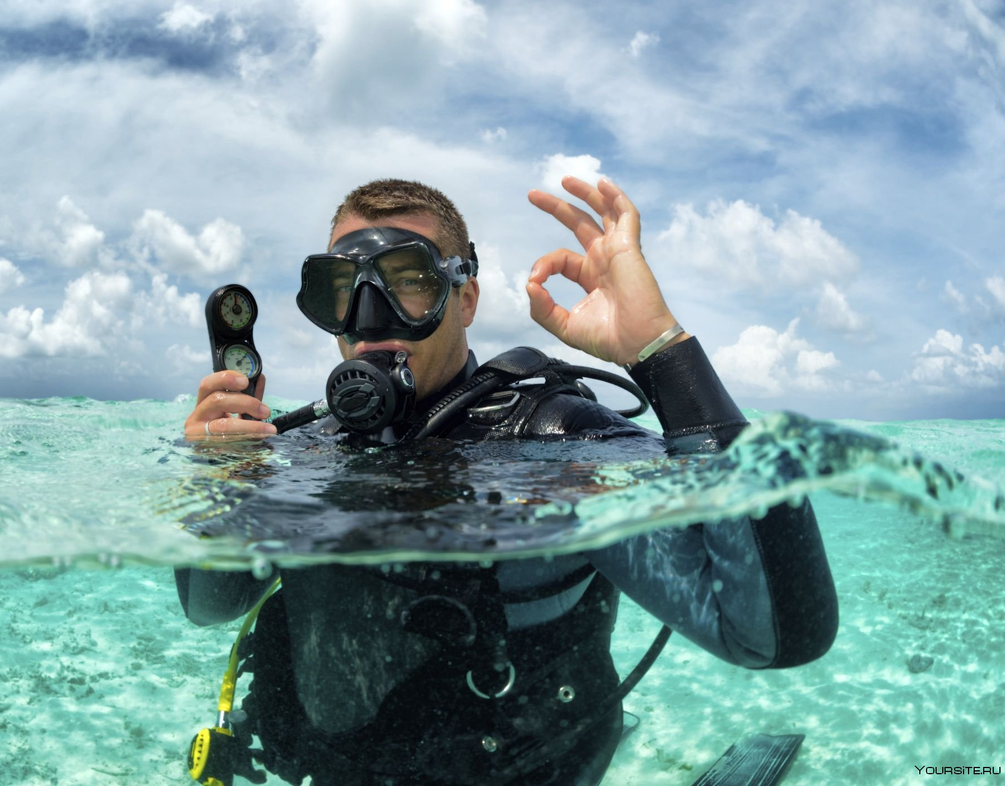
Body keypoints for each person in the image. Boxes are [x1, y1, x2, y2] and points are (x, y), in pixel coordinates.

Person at [176, 177, 838, 786]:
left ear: (464, 297)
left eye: (407, 280)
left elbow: (772, 635)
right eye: (342, 288)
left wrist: (661, 352)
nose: (368, 315)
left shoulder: (556, 442)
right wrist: (221, 486)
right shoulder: (299, 451)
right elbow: (210, 606)